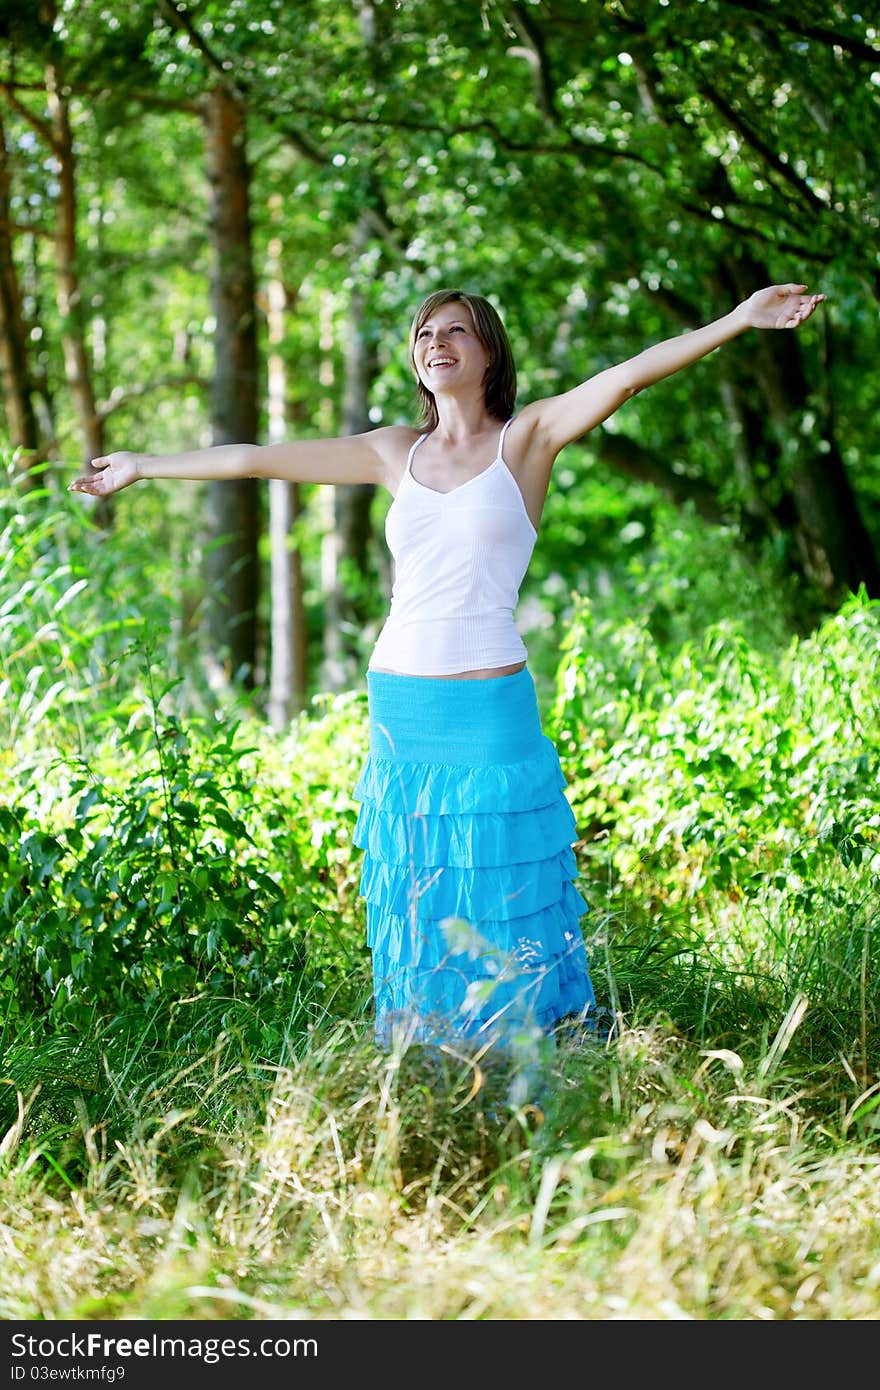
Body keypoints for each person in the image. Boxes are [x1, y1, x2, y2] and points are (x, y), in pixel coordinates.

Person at [69, 281, 826, 1096]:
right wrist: (146, 466)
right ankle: (432, 1066)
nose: (437, 343)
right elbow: (257, 459)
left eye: (456, 331)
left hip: (490, 706)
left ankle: (527, 1066)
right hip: (403, 706)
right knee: (418, 889)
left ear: (487, 351)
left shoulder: (528, 439)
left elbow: (631, 374)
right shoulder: (395, 450)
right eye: (425, 333)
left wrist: (737, 320)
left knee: (503, 880)